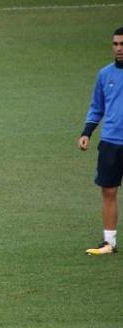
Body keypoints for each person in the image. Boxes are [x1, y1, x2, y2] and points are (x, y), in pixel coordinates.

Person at [79, 27, 123, 255]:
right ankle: (109, 242)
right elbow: (97, 107)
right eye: (115, 44)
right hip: (111, 141)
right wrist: (87, 132)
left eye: (122, 44)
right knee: (108, 190)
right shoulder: (105, 74)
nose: (119, 48)